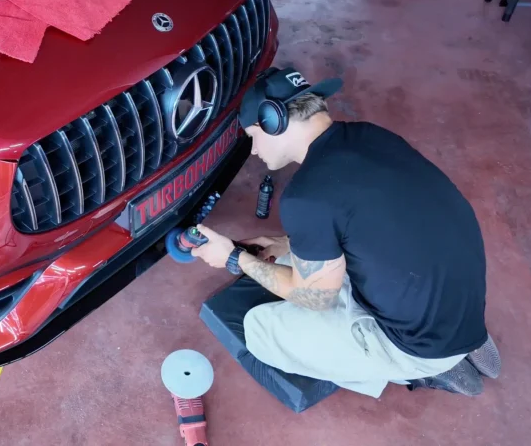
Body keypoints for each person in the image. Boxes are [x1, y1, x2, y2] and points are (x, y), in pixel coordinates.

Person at [191, 66, 500, 398]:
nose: (253, 151)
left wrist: (234, 258)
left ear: (272, 121)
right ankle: (466, 348)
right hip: (459, 304)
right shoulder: (371, 135)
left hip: (421, 344)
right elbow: (371, 220)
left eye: (252, 137)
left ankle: (421, 370)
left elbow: (315, 299)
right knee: (298, 258)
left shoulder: (305, 195)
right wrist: (286, 243)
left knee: (259, 331)